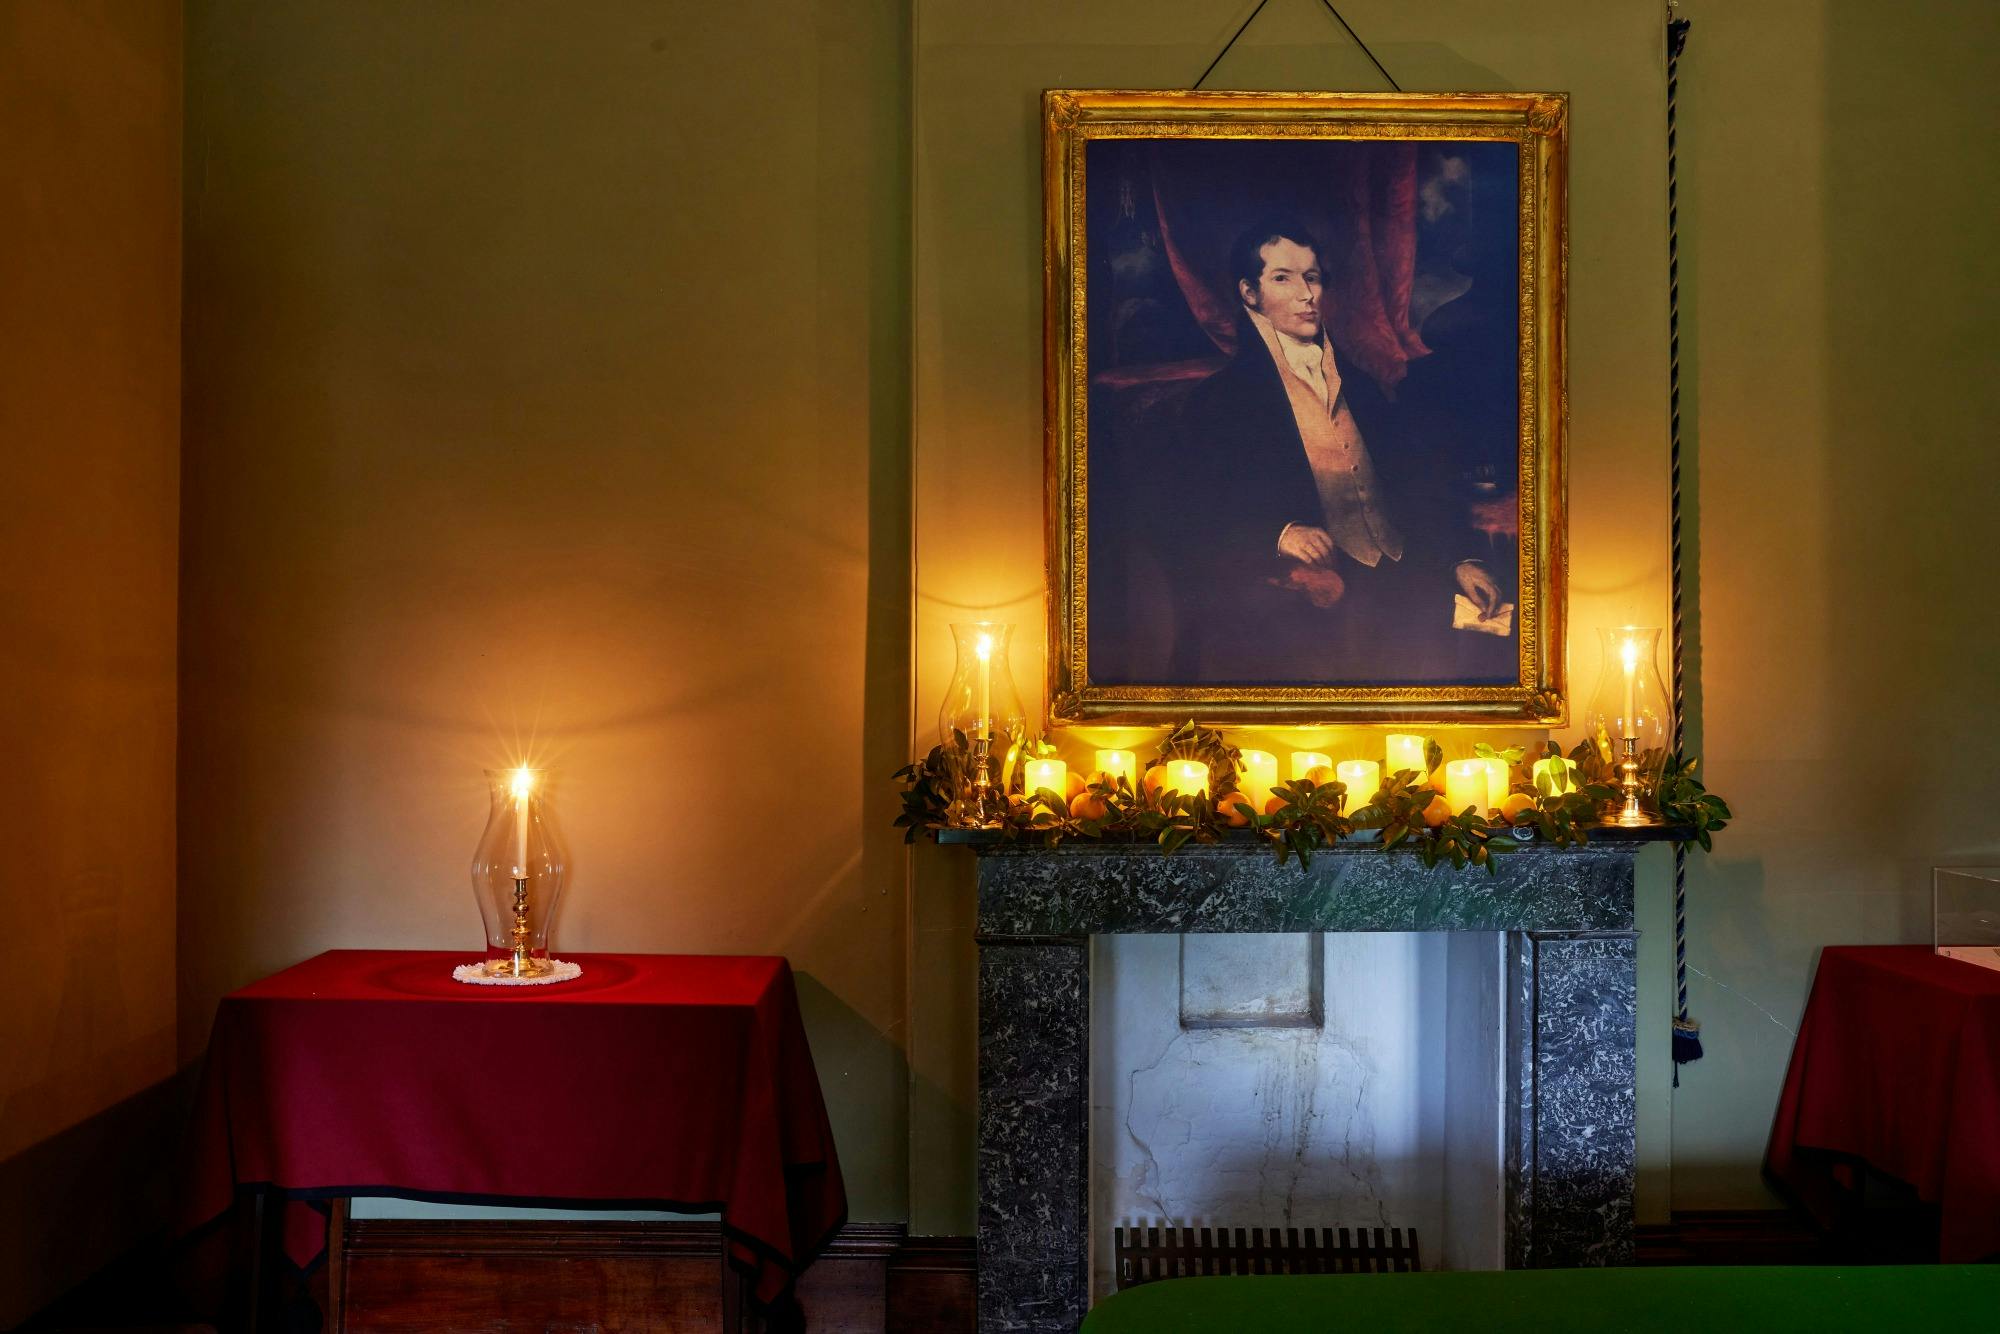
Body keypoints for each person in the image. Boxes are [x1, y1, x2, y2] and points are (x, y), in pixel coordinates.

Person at [1159, 218, 1516, 685]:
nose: (1306, 294)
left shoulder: (1363, 387)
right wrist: (1278, 534)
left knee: (1482, 647)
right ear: (1250, 293)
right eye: (1283, 278)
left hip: (1401, 572)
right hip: (1315, 594)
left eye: (1312, 277)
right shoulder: (1219, 401)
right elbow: (1187, 512)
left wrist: (1460, 559)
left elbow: (1414, 482)